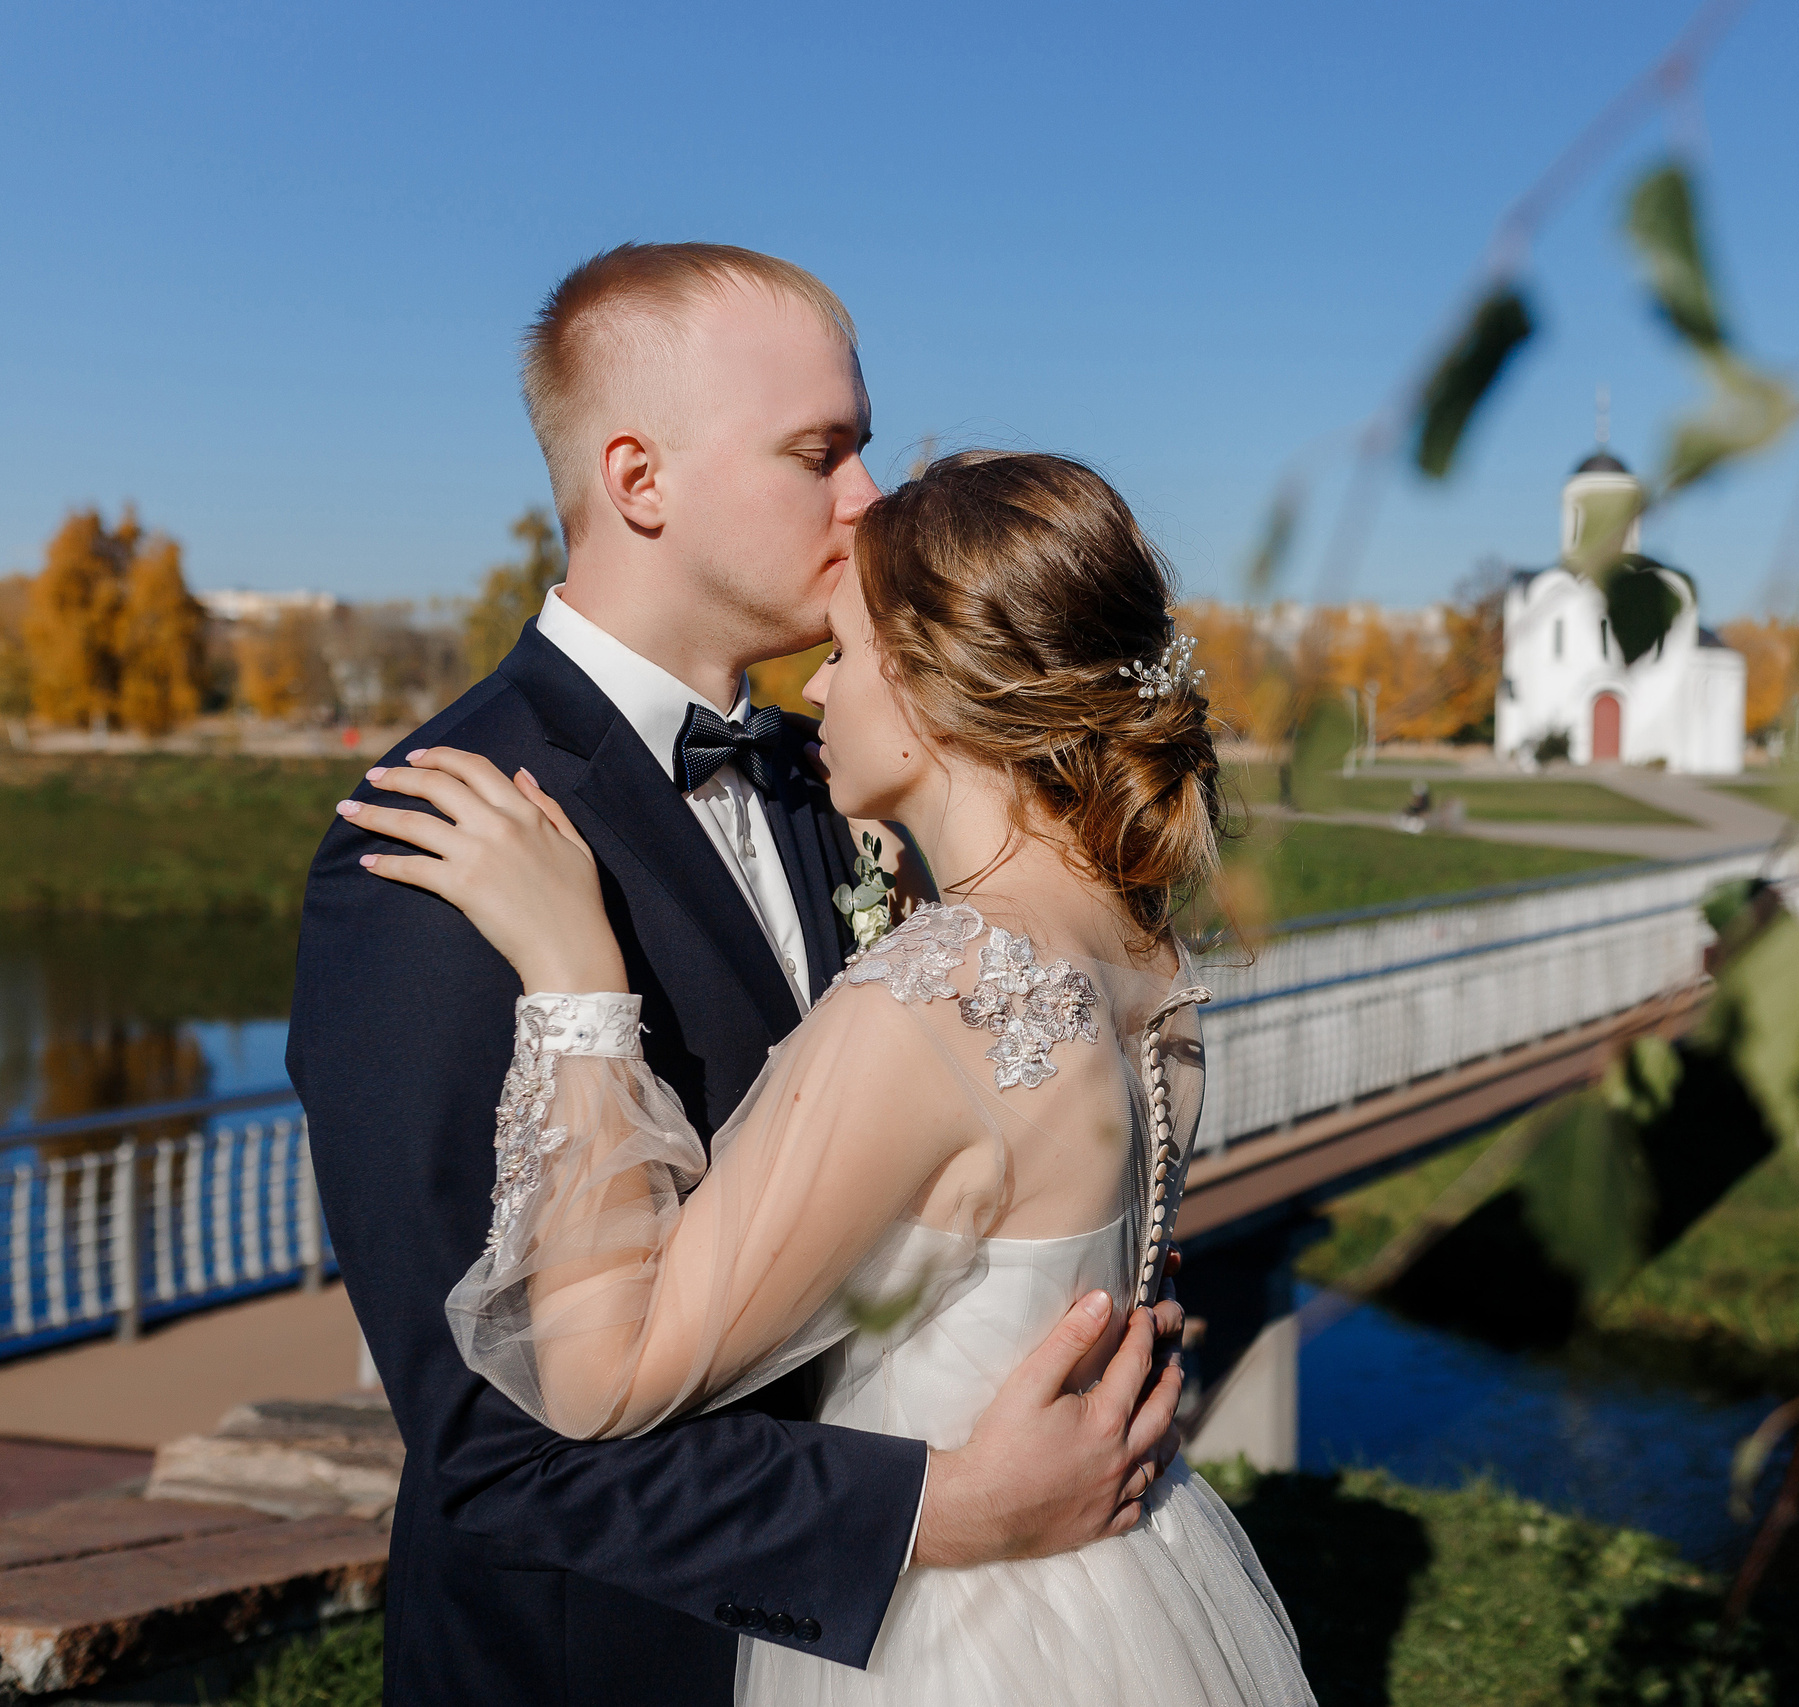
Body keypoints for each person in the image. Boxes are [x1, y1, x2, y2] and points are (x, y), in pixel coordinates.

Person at [290, 246, 1192, 1705]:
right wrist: (943, 1510)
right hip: (602, 1668)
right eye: (819, 452)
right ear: (640, 480)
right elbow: (497, 1442)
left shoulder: (832, 776)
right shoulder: (444, 843)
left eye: (866, 445)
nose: (869, 499)